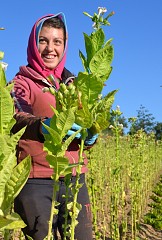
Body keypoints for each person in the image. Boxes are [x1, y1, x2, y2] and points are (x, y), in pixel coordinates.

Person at [11, 12, 98, 240]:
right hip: (36, 179)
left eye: (57, 42)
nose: (51, 48)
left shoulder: (74, 84)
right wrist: (43, 126)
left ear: (64, 46)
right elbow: (15, 119)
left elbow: (85, 124)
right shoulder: (21, 83)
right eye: (43, 40)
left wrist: (91, 136)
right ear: (33, 43)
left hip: (74, 177)